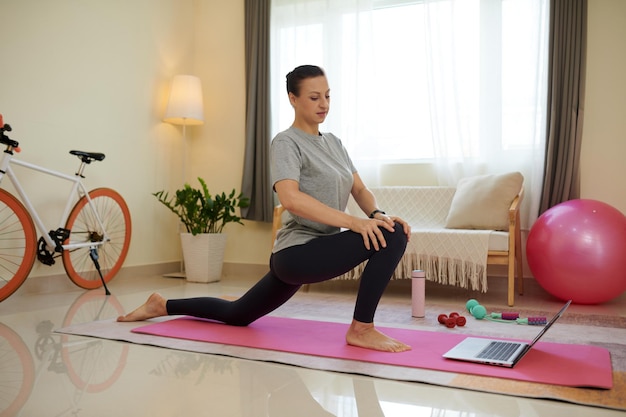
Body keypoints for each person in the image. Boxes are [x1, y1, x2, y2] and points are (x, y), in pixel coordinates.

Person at [118, 65, 412, 352]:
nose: (323, 104)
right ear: (293, 99)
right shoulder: (286, 142)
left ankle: (162, 305)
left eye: (327, 95)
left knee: (238, 314)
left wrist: (376, 215)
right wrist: (355, 223)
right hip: (296, 253)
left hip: (321, 249)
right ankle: (362, 329)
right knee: (394, 235)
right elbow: (292, 199)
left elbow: (358, 189)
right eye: (314, 97)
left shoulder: (334, 143)